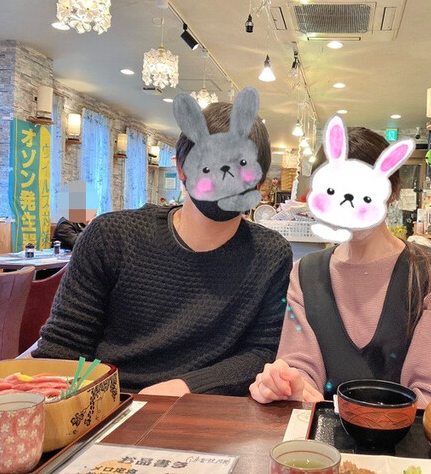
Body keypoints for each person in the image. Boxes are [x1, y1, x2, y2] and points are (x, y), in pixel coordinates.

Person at [32, 95, 292, 397]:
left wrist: (184, 388)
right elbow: (63, 348)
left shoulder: (270, 254)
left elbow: (262, 352)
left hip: (207, 408)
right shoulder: (111, 237)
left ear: (259, 184)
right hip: (110, 401)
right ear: (181, 168)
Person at [249, 126, 431, 408]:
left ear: (391, 191)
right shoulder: (305, 274)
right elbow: (300, 368)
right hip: (321, 432)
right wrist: (288, 384)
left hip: (409, 432)